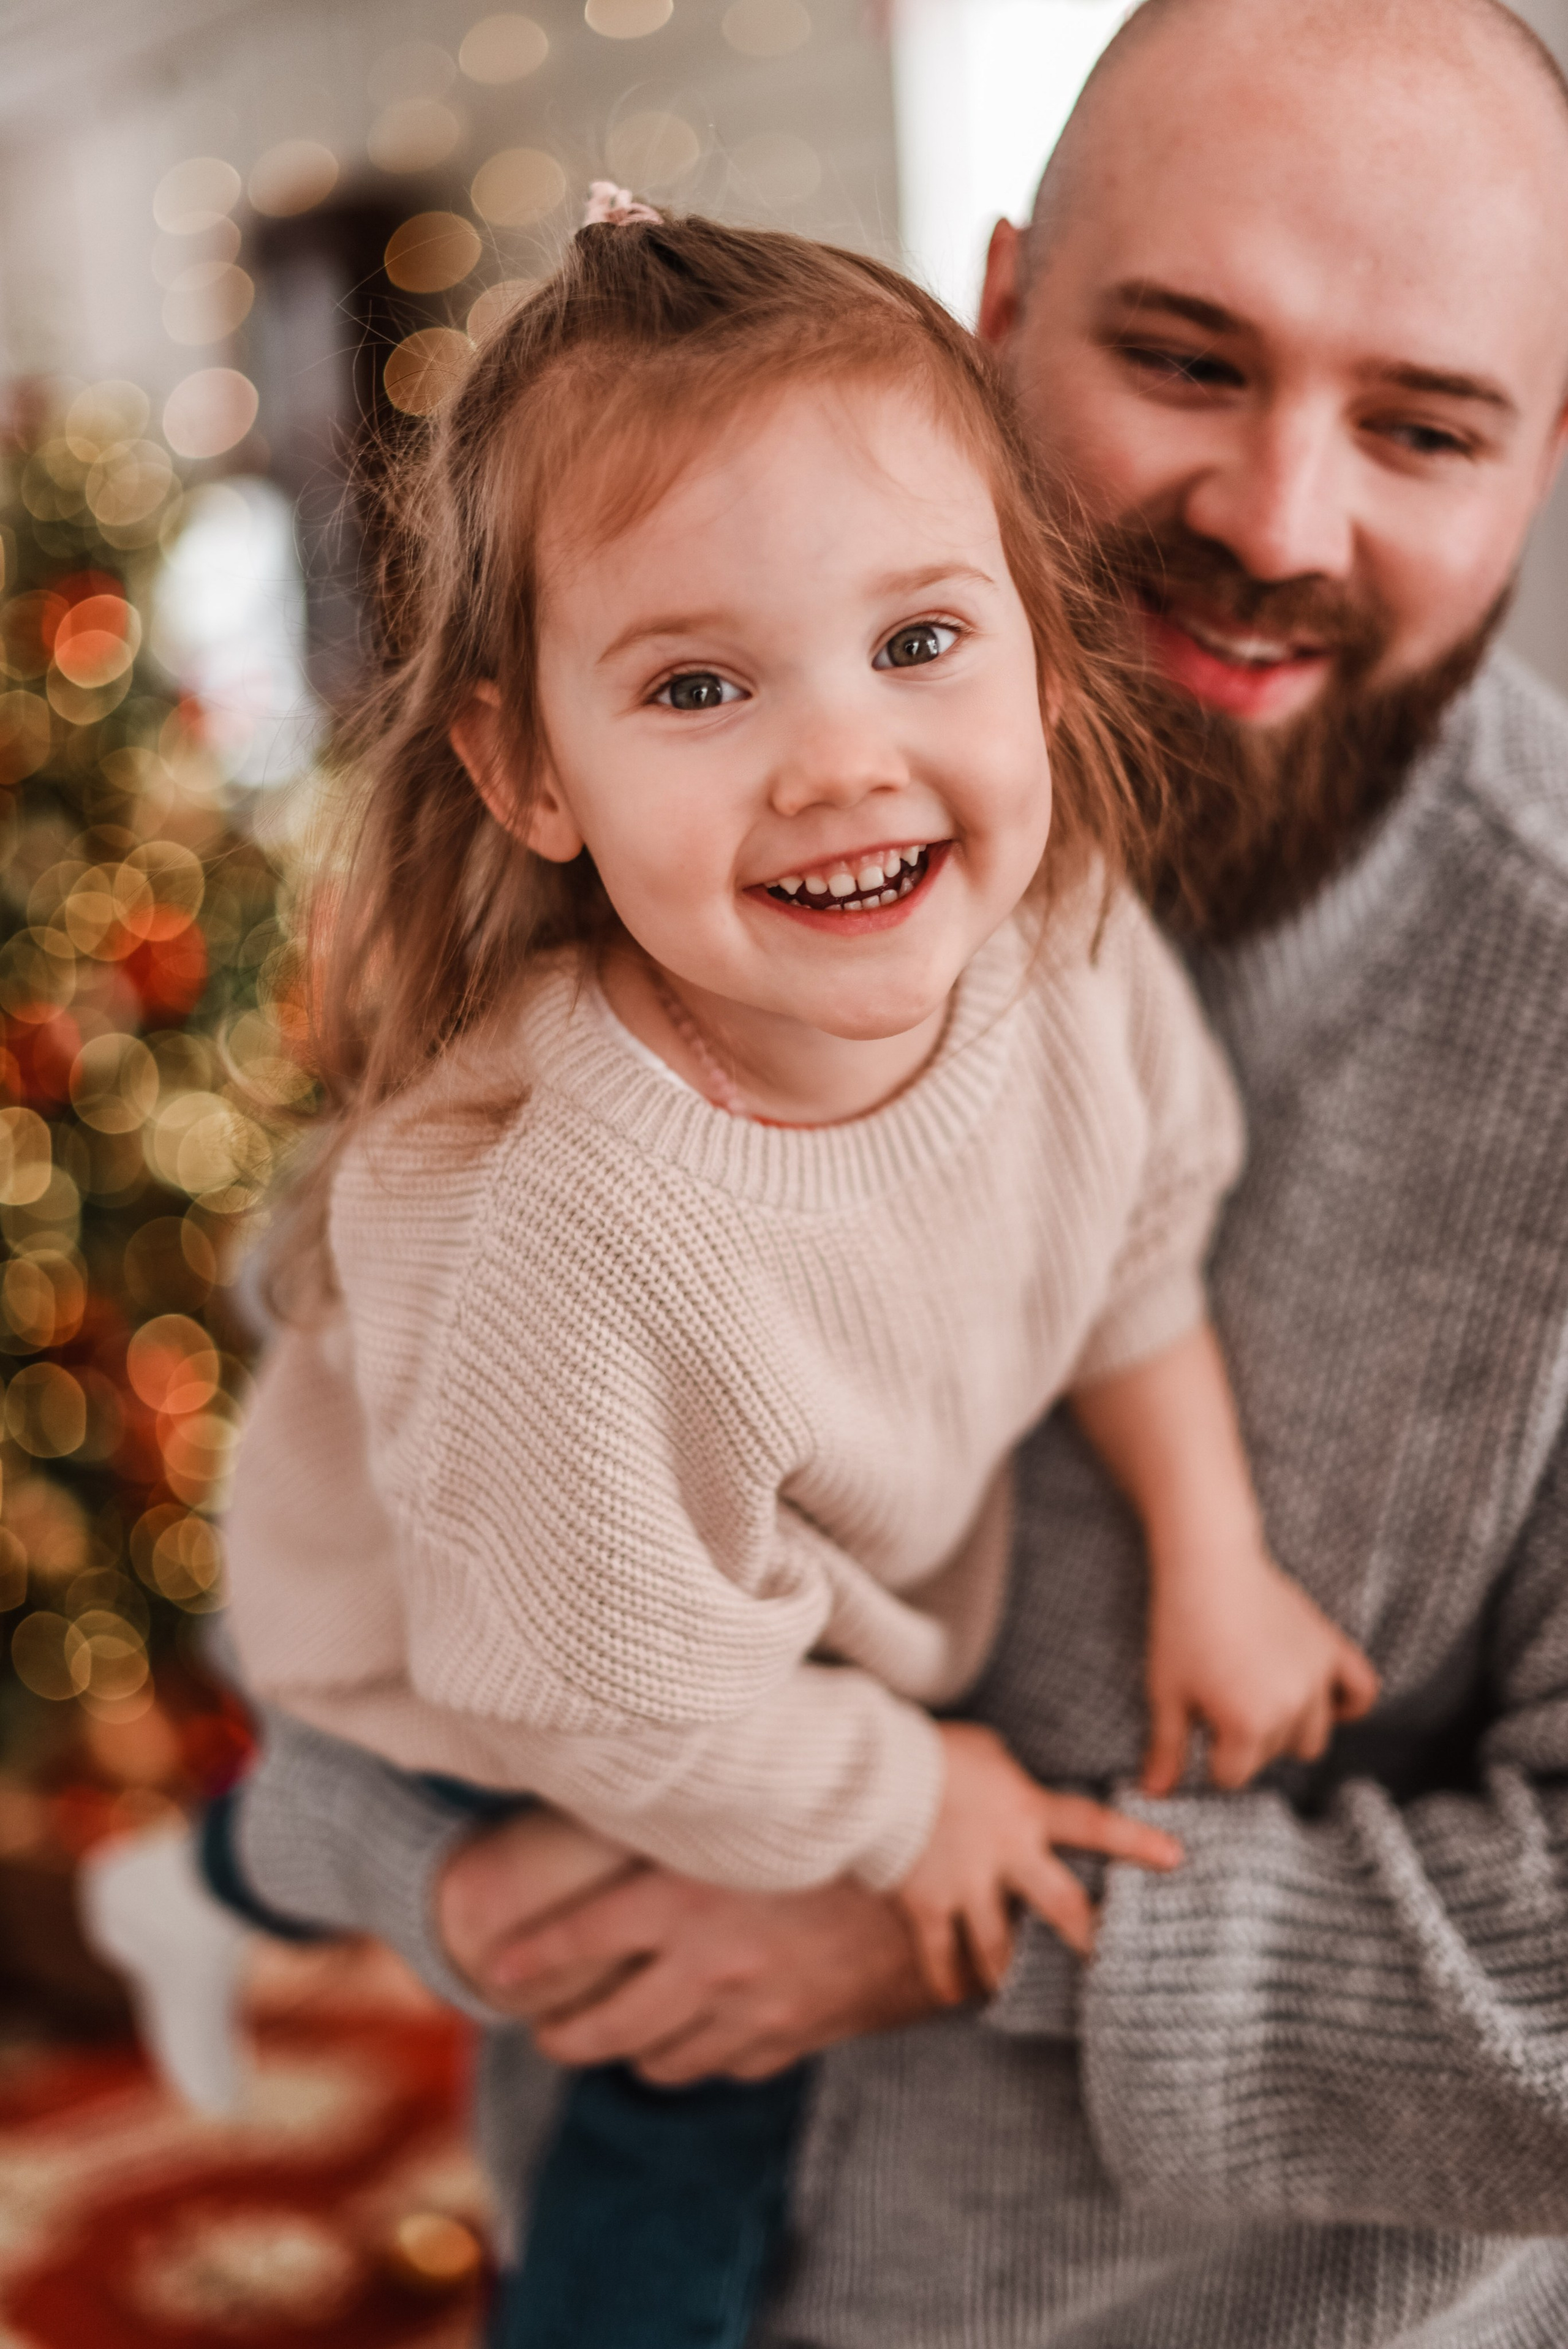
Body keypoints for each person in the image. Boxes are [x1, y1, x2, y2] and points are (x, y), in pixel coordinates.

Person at [220, 0, 1568, 2342]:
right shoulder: (565, 1090)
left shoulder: (1051, 933)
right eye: (1185, 359)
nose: (1276, 518)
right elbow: (359, 1566)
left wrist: (1004, 1873)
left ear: (1551, 447)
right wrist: (453, 1867)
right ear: (1005, 303)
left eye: (1426, 422)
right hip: (625, 2084)